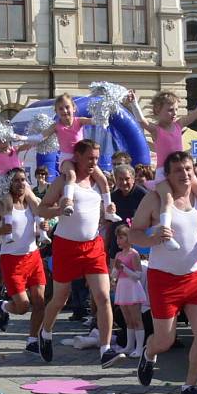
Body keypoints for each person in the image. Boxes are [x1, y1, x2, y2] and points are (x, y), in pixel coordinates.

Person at [130, 151, 197, 394]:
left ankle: (189, 387)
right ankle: (149, 352)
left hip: (196, 275)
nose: (185, 175)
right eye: (179, 171)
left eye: (188, 169)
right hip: (164, 278)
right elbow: (134, 234)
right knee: (165, 340)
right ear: (168, 175)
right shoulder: (155, 200)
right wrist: (153, 239)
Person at [36, 139, 125, 369]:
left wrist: (109, 210)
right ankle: (45, 332)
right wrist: (61, 209)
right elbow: (41, 209)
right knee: (60, 298)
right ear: (77, 156)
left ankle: (105, 350)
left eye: (96, 158)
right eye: (89, 159)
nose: (93, 163)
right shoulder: (66, 180)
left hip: (93, 245)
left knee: (103, 297)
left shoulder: (99, 180)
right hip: (66, 246)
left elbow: (103, 210)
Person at [126, 87, 197, 249]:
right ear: (157, 110)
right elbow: (141, 121)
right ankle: (167, 234)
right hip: (164, 173)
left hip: (184, 171)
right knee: (167, 200)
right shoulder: (156, 130)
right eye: (170, 110)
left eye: (176, 109)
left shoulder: (178, 125)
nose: (174, 113)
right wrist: (134, 103)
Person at [16, 93, 119, 222]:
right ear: (57, 112)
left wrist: (104, 114)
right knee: (71, 176)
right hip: (67, 158)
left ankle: (108, 210)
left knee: (103, 179)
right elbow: (39, 137)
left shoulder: (79, 121)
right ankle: (68, 202)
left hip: (82, 158)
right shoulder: (56, 126)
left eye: (67, 107)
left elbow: (95, 121)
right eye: (61, 109)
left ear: (73, 108)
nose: (65, 111)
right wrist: (22, 138)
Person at [0, 169, 47, 354]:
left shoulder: (31, 203)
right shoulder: (0, 205)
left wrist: (44, 226)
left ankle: (32, 340)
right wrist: (0, 231)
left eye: (23, 180)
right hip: (11, 259)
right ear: (9, 183)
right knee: (23, 307)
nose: (20, 183)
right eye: (16, 180)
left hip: (33, 256)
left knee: (39, 302)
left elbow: (42, 221)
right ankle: (4, 306)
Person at [111, 224, 147, 358]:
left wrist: (124, 268)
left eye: (121, 237)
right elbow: (114, 274)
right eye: (117, 238)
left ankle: (139, 347)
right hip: (122, 287)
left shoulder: (134, 254)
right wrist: (116, 270)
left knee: (136, 319)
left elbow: (138, 275)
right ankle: (129, 346)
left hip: (132, 288)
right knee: (128, 320)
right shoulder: (118, 254)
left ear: (128, 238)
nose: (118, 241)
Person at [107, 164, 146, 260]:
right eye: (120, 179)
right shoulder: (112, 197)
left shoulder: (143, 195)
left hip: (136, 245)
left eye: (127, 179)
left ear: (133, 178)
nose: (124, 182)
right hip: (117, 243)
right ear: (116, 179)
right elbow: (108, 223)